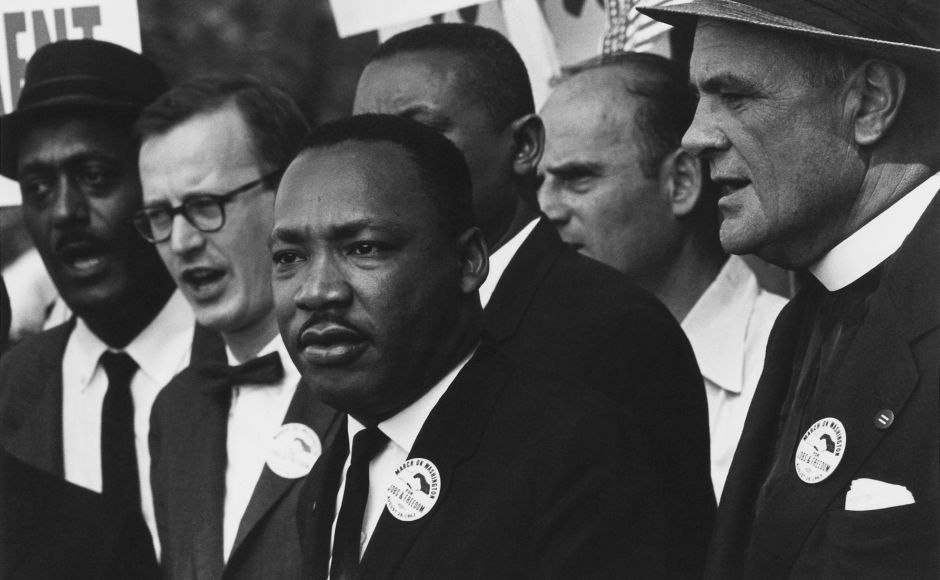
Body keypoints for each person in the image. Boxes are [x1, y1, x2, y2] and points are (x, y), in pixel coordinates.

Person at [353, 23, 714, 575]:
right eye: (365, 140)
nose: (379, 167)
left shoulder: (612, 327)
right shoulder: (373, 326)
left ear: (523, 145)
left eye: (421, 135)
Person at [274, 113, 669, 578]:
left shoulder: (574, 451)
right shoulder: (332, 468)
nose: (316, 290)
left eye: (364, 248)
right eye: (289, 257)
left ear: (467, 261)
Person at [639, 0, 940, 577]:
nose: (695, 136)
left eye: (736, 95)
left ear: (872, 101)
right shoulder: (812, 315)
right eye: (700, 98)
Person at [0, 39, 216, 576]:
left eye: (95, 176)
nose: (66, 211)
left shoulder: (257, 361)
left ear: (158, 185)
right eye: (38, 186)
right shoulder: (10, 390)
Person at [538, 52, 787, 500]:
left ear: (681, 182)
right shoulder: (539, 369)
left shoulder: (793, 359)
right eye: (537, 183)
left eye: (576, 178)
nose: (546, 208)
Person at [135, 75, 338, 579]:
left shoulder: (371, 382)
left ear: (291, 189)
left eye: (205, 206)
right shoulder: (175, 410)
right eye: (159, 215)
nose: (180, 241)